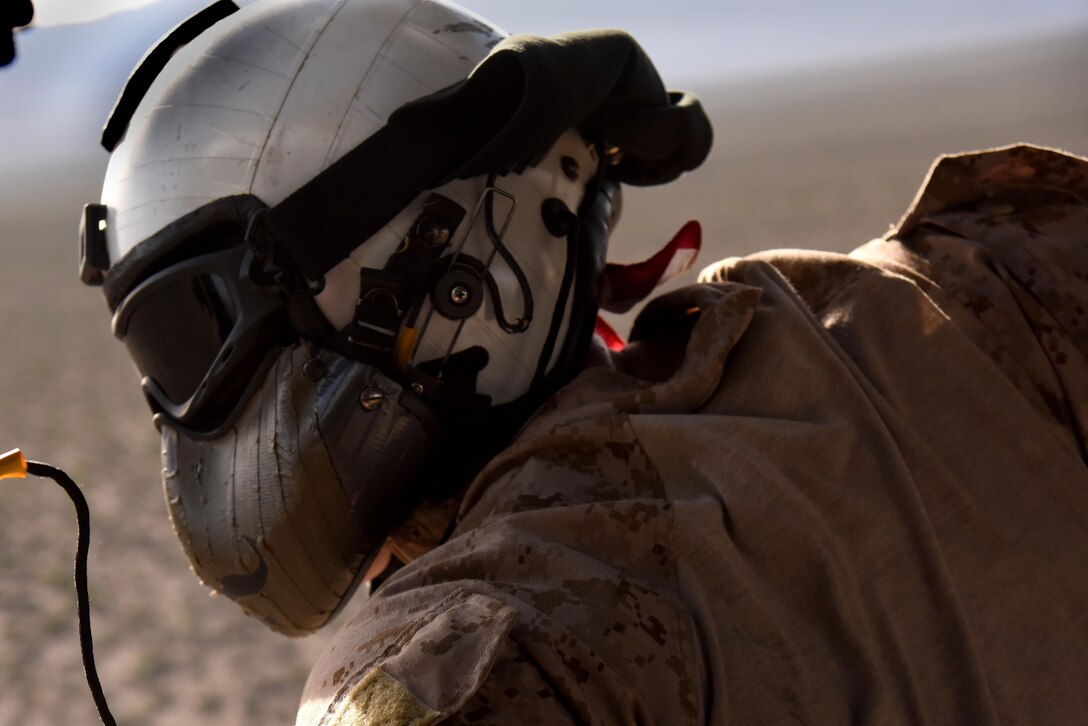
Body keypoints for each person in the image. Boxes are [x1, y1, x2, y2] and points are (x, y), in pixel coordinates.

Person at [82, 0, 1088, 724]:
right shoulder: (963, 279)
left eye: (199, 330)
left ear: (455, 266)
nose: (187, 415)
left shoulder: (469, 655)